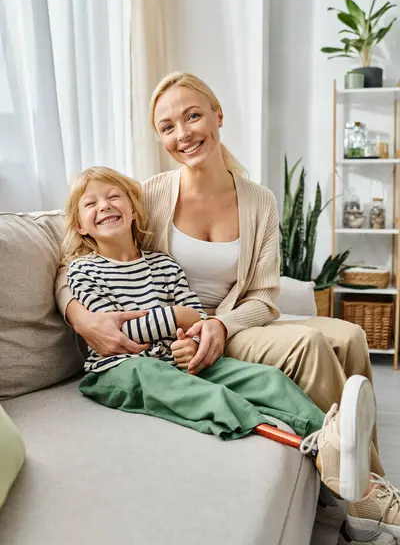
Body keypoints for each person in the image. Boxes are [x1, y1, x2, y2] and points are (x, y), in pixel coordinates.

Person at [56, 74, 400, 540]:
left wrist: (216, 323)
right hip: (177, 336)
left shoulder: (259, 200)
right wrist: (80, 315)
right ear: (160, 138)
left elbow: (263, 295)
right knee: (312, 344)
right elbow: (74, 262)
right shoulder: (148, 194)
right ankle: (358, 491)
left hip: (228, 319)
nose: (184, 133)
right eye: (168, 126)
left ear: (218, 116)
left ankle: (364, 482)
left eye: (193, 115)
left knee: (354, 335)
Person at [62, 164, 377, 508]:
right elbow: (117, 335)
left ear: (135, 211)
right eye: (90, 204)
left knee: (266, 378)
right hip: (118, 368)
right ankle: (263, 424)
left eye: (112, 197)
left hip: (173, 360)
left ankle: (328, 437)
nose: (104, 206)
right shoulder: (84, 271)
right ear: (80, 225)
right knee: (175, 382)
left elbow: (193, 313)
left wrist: (190, 341)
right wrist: (174, 318)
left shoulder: (164, 264)